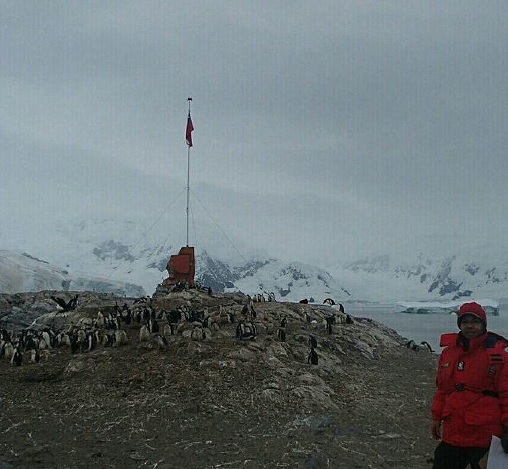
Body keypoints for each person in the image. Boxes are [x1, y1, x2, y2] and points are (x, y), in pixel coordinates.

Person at [431, 301, 508, 468]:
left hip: (484, 435)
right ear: (459, 324)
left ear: (483, 324)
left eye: (475, 321)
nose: (470, 326)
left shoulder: (497, 355)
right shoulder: (449, 353)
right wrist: (436, 417)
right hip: (454, 430)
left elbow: (506, 393)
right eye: (465, 322)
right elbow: (443, 390)